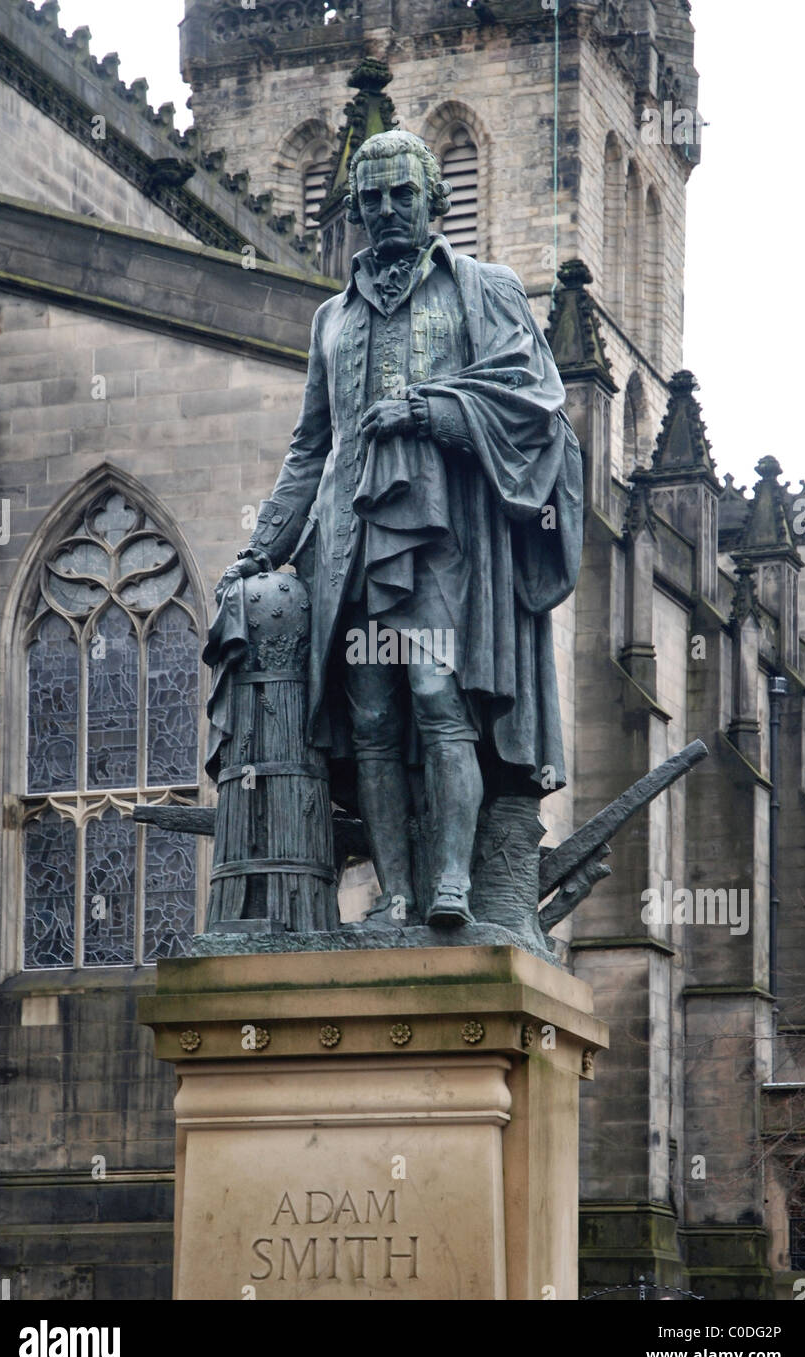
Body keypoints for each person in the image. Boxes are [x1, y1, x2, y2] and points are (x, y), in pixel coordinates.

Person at [216, 130, 582, 928]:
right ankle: (399, 892)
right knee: (374, 719)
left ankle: (452, 882)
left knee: (434, 696)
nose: (385, 211)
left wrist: (431, 410)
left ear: (434, 201)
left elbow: (535, 401)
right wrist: (261, 550)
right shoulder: (329, 319)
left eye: (401, 196)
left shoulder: (483, 289)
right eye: (370, 199)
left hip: (440, 536)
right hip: (349, 541)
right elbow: (311, 446)